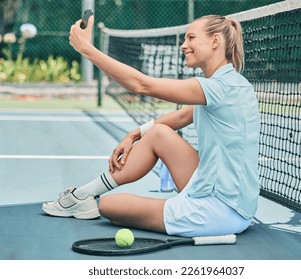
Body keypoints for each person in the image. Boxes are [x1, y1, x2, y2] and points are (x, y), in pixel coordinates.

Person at [42, 14, 260, 237]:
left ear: (215, 41)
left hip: (218, 211)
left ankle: (83, 199)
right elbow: (181, 117)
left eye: (191, 38)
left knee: (109, 205)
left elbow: (141, 85)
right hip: (236, 202)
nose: (184, 45)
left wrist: (86, 49)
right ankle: (82, 195)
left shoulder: (218, 88)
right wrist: (134, 134)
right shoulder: (235, 84)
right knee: (158, 133)